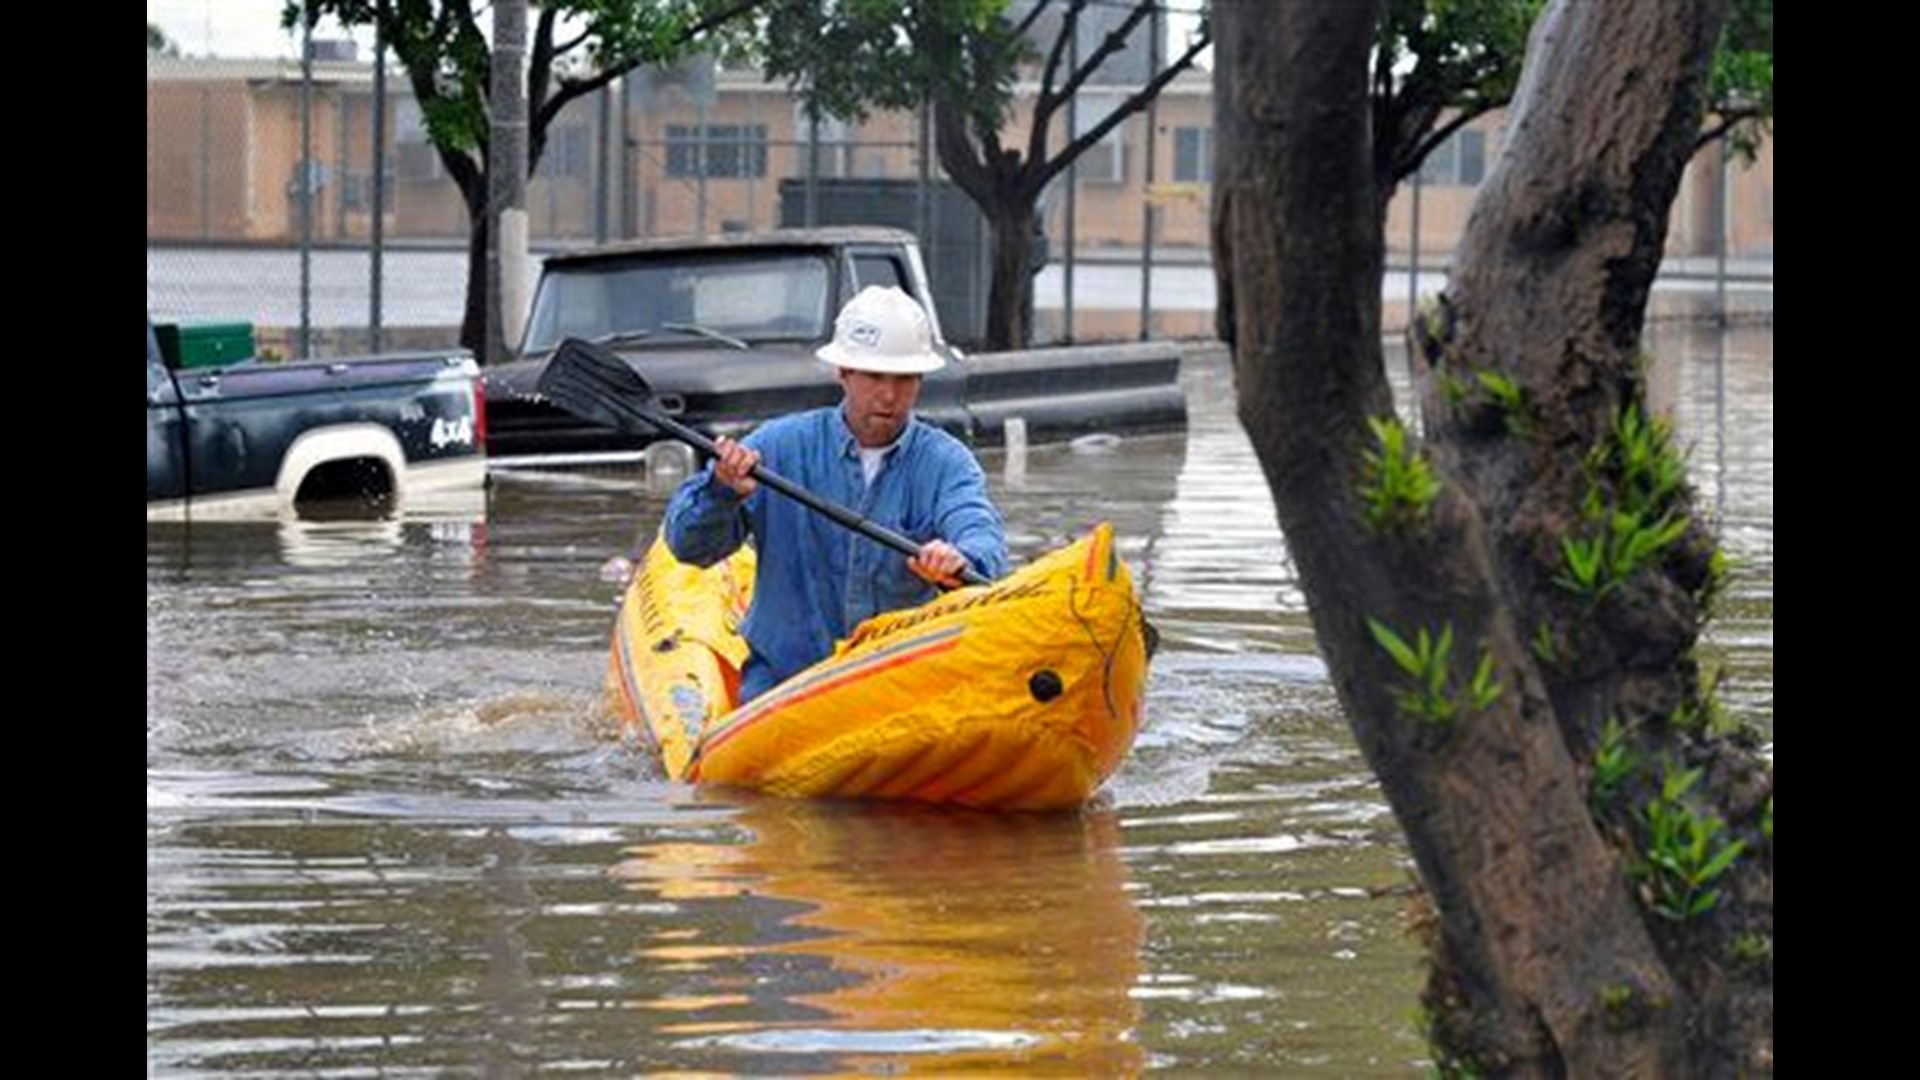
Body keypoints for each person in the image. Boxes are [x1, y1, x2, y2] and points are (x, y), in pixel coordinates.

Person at [664, 285, 1009, 703]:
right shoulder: (776, 447)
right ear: (843, 372)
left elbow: (982, 540)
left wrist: (962, 560)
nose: (889, 394)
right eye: (875, 376)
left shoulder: (946, 463)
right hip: (783, 687)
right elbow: (687, 546)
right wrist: (721, 491)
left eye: (904, 379)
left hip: (899, 689)